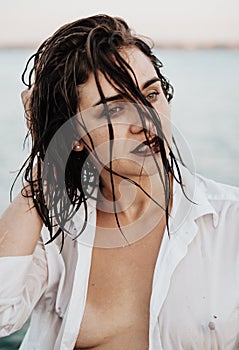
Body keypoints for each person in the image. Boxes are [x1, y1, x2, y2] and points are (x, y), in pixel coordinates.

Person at [0, 14, 238, 350]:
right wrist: (46, 155)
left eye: (151, 94)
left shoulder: (230, 224)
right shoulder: (54, 232)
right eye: (113, 111)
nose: (146, 120)